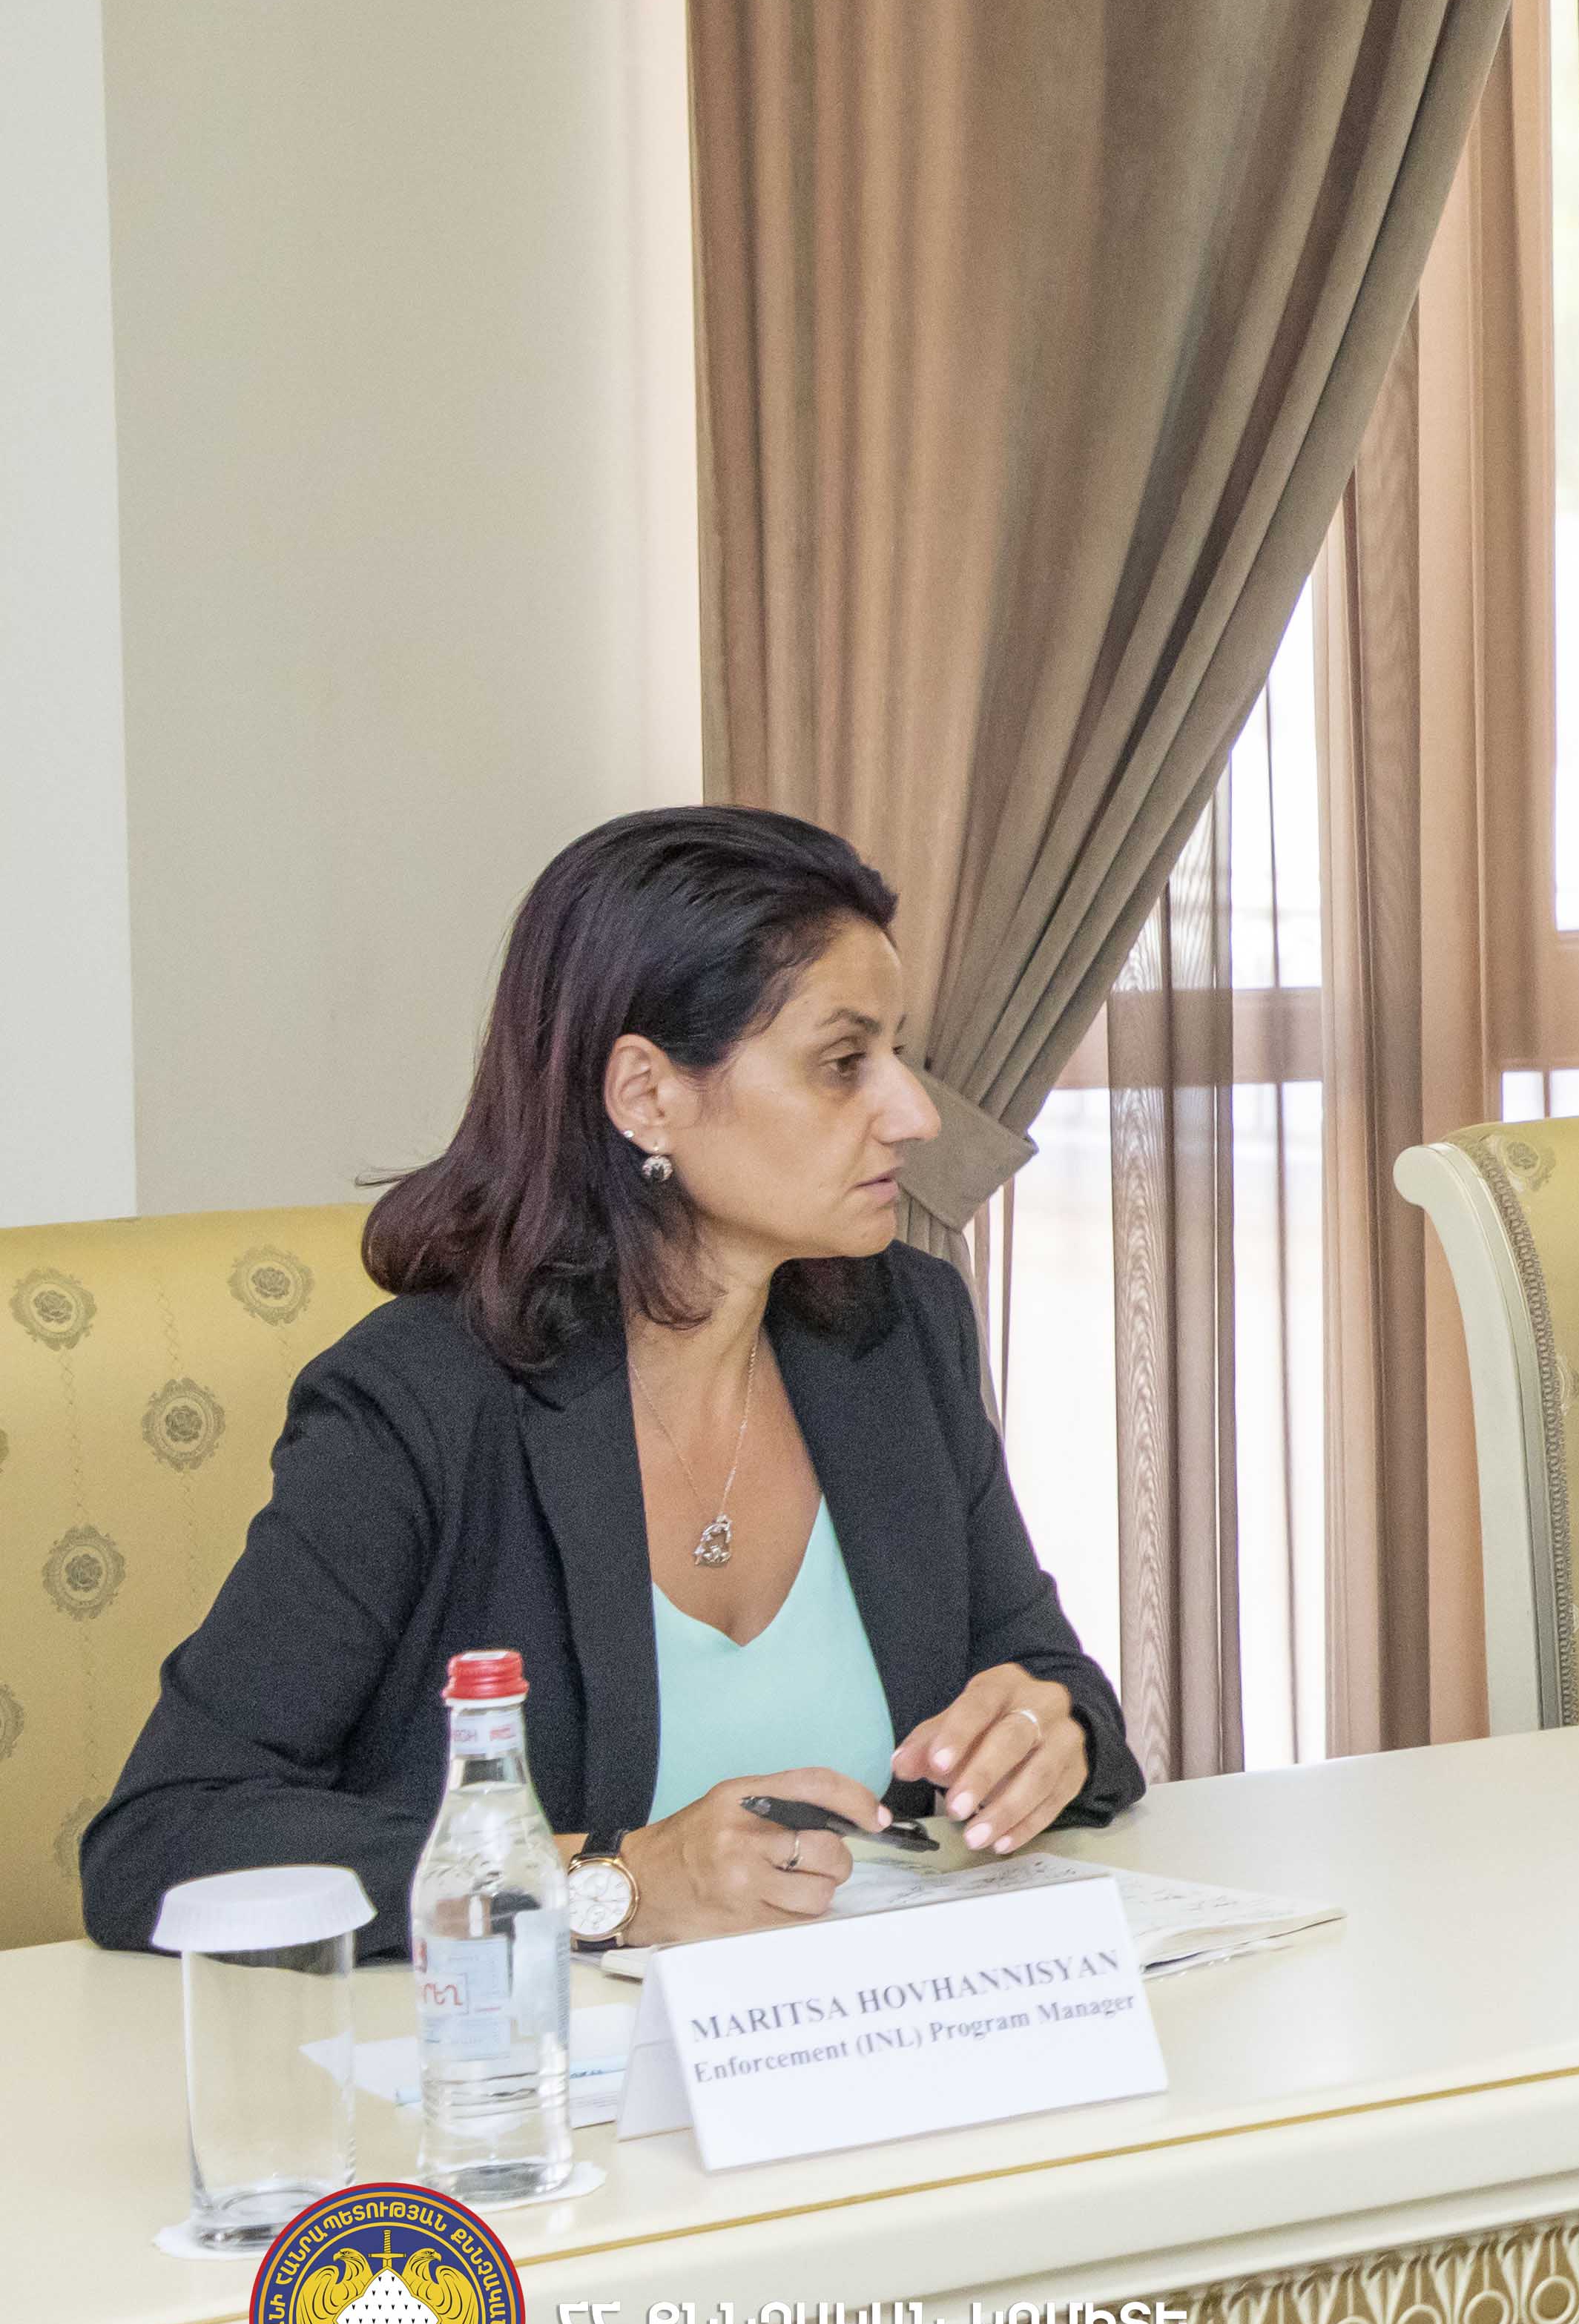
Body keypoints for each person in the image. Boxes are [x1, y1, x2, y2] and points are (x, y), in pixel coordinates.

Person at [83, 808, 1142, 1958]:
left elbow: (1046, 1673)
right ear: (646, 1094)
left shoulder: (900, 1335)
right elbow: (164, 1840)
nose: (916, 1113)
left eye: (898, 1054)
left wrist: (1053, 1732)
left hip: (872, 2032)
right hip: (527, 2063)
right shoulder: (420, 1402)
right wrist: (611, 1880)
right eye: (845, 1063)